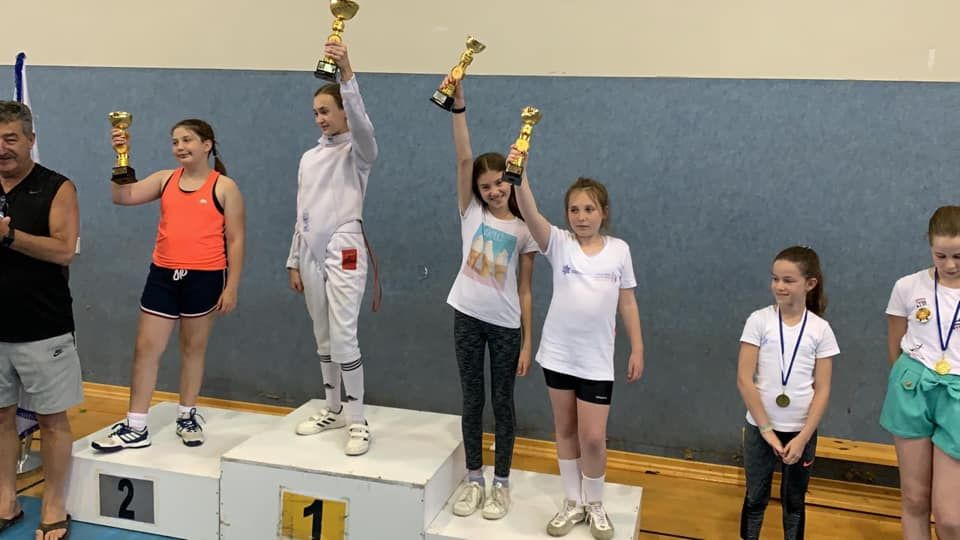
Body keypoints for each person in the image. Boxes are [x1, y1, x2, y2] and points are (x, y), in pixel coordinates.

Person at [92, 118, 245, 452]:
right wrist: (121, 156)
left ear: (207, 145)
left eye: (187, 140)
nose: (180, 147)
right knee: (146, 349)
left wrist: (231, 285)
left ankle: (187, 415)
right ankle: (136, 425)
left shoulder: (224, 187)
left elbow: (235, 239)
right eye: (175, 141)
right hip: (163, 276)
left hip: (205, 277)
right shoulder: (165, 179)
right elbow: (122, 196)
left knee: (193, 349)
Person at [512, 158, 644, 540]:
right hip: (558, 355)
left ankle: (595, 502)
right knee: (566, 429)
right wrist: (520, 175)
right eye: (574, 210)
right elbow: (530, 212)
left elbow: (628, 302)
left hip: (596, 361)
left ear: (604, 212)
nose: (581, 217)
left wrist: (637, 348)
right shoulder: (559, 243)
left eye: (589, 209)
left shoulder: (619, 250)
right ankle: (572, 501)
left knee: (593, 438)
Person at [441, 77, 537, 520]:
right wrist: (459, 106)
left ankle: (501, 483)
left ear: (510, 182)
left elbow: (525, 289)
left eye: (500, 183)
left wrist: (527, 341)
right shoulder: (471, 213)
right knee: (472, 400)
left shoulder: (525, 229)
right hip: (467, 316)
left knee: (503, 403)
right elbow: (464, 157)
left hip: (505, 326)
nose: (494, 191)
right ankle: (474, 478)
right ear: (477, 192)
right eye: (486, 186)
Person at [290, 40, 380, 457]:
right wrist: (294, 259)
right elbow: (302, 211)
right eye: (316, 113)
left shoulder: (358, 153)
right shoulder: (308, 158)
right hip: (310, 250)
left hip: (345, 246)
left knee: (344, 335)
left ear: (344, 110)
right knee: (322, 334)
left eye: (326, 110)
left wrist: (347, 74)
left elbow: (364, 127)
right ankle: (333, 408)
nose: (320, 118)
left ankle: (358, 419)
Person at [0, 100, 81, 540]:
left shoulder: (57, 187)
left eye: (10, 138)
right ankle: (5, 501)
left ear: (31, 139)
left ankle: (53, 506)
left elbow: (64, 250)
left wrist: (9, 236)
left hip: (43, 327)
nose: (2, 148)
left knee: (52, 421)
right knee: (0, 417)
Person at [736, 246, 838, 539]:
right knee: (755, 497)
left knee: (794, 502)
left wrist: (803, 436)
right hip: (760, 428)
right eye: (775, 278)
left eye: (788, 280)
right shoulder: (759, 321)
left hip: (800, 432)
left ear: (810, 283)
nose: (779, 286)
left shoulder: (820, 329)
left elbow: (823, 389)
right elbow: (744, 379)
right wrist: (766, 430)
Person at [881, 206, 960, 539]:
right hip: (913, 388)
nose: (950, 265)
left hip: (956, 397)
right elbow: (895, 345)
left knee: (951, 517)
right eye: (941, 256)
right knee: (914, 499)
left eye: (958, 256)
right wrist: (906, 382)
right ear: (929, 246)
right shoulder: (907, 286)